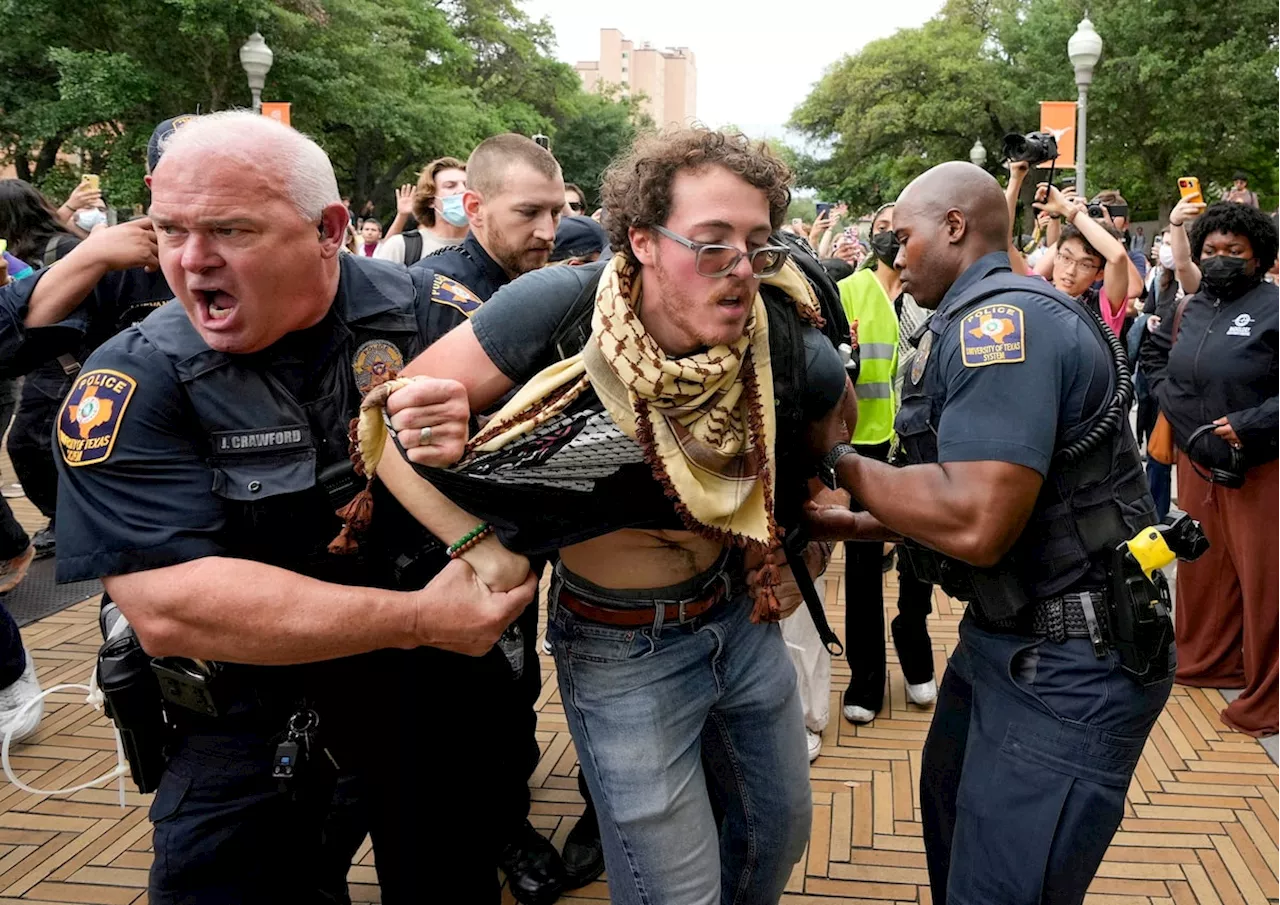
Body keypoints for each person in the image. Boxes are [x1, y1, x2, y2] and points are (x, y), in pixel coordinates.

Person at [51, 111, 535, 904]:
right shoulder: (132, 379)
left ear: (329, 230)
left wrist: (478, 450)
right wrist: (419, 618)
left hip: (434, 700)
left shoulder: (441, 319)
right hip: (247, 714)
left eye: (231, 229)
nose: (191, 259)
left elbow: (555, 485)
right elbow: (169, 605)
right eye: (169, 228)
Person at [381, 127, 847, 904]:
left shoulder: (780, 338)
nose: (740, 269)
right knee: (675, 890)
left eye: (758, 243)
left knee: (776, 835)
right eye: (710, 243)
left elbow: (825, 439)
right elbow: (388, 431)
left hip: (739, 619)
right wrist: (473, 539)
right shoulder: (558, 308)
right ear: (643, 241)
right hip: (622, 645)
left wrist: (808, 539)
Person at [810, 161, 1173, 904]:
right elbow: (982, 494)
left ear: (953, 226)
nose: (894, 252)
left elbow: (975, 518)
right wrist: (850, 521)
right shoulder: (988, 314)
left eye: (902, 235)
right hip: (1012, 635)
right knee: (956, 842)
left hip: (1070, 661)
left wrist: (837, 459)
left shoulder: (996, 325)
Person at [411, 132, 579, 904]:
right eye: (530, 212)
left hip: (520, 535)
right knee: (459, 711)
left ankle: (505, 820)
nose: (548, 229)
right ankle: (486, 834)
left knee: (512, 690)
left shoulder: (550, 283)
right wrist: (469, 545)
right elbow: (385, 438)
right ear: (473, 208)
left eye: (559, 209)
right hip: (444, 549)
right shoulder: (428, 297)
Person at [1141, 200, 1280, 738]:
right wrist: (1168, 401)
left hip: (1261, 468)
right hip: (1199, 466)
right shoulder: (1190, 305)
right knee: (1205, 571)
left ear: (1259, 255)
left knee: (1266, 583)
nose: (1220, 258)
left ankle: (1267, 694)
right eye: (1212, 250)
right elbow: (1154, 355)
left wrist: (1254, 421)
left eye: (1234, 251)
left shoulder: (1274, 306)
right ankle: (1210, 659)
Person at [835, 202, 936, 726]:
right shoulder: (847, 292)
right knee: (862, 564)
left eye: (899, 228)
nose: (889, 235)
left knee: (921, 558)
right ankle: (866, 678)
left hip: (921, 447)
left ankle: (916, 650)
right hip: (866, 446)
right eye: (882, 226)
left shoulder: (936, 292)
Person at [1030, 183, 1131, 336]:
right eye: (1066, 258)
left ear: (1099, 274)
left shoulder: (1103, 305)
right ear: (1055, 257)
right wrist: (1017, 179)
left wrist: (1069, 210)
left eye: (1085, 265)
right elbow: (1004, 245)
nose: (1071, 271)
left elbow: (1117, 257)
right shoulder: (1037, 292)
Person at [375, 156, 469, 265]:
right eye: (450, 186)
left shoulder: (488, 249)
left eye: (467, 185)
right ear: (430, 201)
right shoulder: (400, 247)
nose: (462, 190)